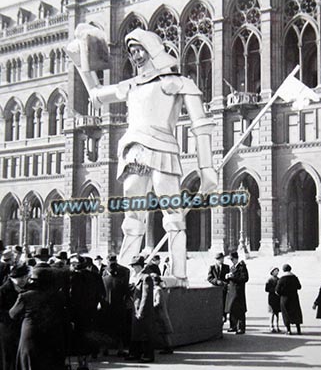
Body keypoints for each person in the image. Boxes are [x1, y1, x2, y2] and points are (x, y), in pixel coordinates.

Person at [67, 25, 217, 284]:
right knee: (132, 216)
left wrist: (207, 168)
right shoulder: (131, 85)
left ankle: (179, 274)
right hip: (134, 151)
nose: (136, 55)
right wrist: (81, 60)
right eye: (132, 51)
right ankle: (124, 272)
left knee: (172, 215)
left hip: (163, 149)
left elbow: (201, 125)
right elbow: (95, 95)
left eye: (140, 49)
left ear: (152, 49)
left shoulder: (178, 82)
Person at [9, 267, 67, 370]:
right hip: (53, 336)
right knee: (53, 368)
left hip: (31, 337)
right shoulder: (58, 296)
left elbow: (12, 314)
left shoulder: (25, 296)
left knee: (34, 367)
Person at [69, 254, 105, 370]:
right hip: (91, 311)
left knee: (79, 337)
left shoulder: (73, 277)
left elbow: (70, 294)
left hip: (77, 312)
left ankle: (81, 363)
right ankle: (86, 362)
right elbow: (102, 294)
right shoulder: (95, 276)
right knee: (89, 336)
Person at [0, 264, 29, 370]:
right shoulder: (3, 290)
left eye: (24, 277)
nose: (23, 280)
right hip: (7, 330)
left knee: (21, 361)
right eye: (19, 278)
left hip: (22, 329)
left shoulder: (26, 290)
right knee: (9, 361)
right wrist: (11, 316)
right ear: (12, 278)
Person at [126, 255, 155, 363]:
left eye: (134, 266)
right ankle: (136, 353)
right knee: (136, 333)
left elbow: (145, 296)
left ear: (139, 266)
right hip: (136, 309)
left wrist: (141, 311)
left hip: (143, 311)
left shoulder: (145, 277)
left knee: (145, 333)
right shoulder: (138, 277)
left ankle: (148, 355)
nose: (133, 268)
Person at [102, 254, 130, 356]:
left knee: (111, 327)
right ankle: (117, 348)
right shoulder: (123, 271)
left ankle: (111, 348)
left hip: (111, 304)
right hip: (115, 304)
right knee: (116, 327)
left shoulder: (105, 272)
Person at [224, 251, 249, 334]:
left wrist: (233, 277)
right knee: (232, 309)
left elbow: (245, 278)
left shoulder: (242, 267)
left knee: (240, 310)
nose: (231, 261)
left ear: (235, 259)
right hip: (232, 291)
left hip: (238, 292)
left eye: (232, 259)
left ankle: (241, 328)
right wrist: (228, 277)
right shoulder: (233, 267)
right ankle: (233, 326)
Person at [275, 264, 303, 335]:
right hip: (294, 297)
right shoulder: (294, 277)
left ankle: (288, 330)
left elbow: (277, 290)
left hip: (285, 298)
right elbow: (299, 287)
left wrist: (281, 293)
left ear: (283, 270)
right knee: (296, 313)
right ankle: (298, 329)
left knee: (286, 314)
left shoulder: (282, 279)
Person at [152, 274, 174, 354]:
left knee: (164, 331)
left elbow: (158, 302)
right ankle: (167, 347)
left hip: (160, 313)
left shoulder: (157, 290)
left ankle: (168, 347)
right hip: (160, 313)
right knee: (163, 332)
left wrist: (151, 306)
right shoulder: (158, 289)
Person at [207, 252, 230, 323]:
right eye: (219, 259)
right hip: (215, 289)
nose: (220, 260)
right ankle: (216, 317)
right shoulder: (212, 267)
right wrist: (216, 281)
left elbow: (228, 278)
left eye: (221, 259)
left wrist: (225, 282)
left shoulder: (226, 267)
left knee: (224, 303)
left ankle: (224, 316)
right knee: (215, 304)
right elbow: (209, 278)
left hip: (224, 288)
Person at [265, 267, 281, 333]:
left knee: (277, 313)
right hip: (272, 297)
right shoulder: (269, 280)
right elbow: (266, 289)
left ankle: (277, 326)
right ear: (272, 272)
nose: (277, 272)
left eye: (277, 271)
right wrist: (274, 290)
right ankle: (271, 326)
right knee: (272, 312)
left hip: (277, 297)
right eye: (275, 271)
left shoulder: (279, 279)